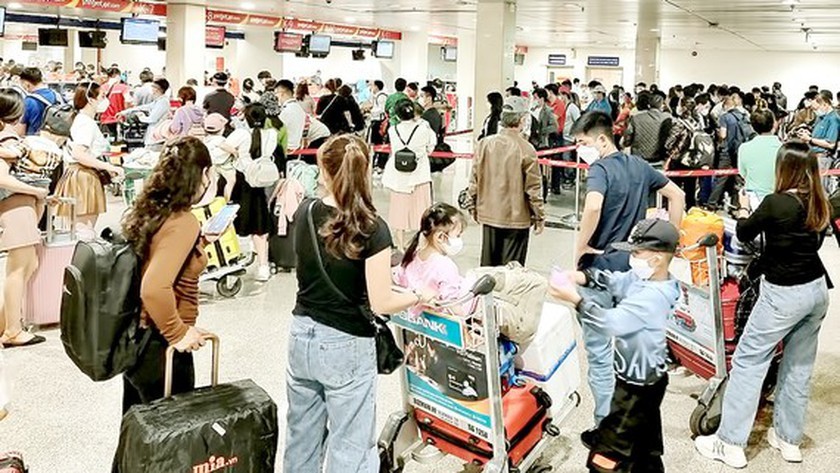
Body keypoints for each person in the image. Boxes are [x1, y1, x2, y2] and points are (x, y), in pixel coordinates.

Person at [283, 134, 435, 473]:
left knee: (301, 437)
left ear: (324, 170)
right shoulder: (372, 228)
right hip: (346, 344)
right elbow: (381, 300)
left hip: (302, 333)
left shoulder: (306, 211)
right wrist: (417, 295)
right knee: (350, 444)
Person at [695, 142, 832, 469]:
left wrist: (742, 208)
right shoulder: (818, 201)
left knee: (749, 360)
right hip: (816, 292)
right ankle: (789, 440)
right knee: (798, 367)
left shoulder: (775, 203)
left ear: (785, 169)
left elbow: (744, 233)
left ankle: (729, 443)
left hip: (784, 294)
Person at [570, 111, 684, 435]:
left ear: (602, 140)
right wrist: (667, 243)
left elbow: (593, 207)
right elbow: (677, 195)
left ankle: (607, 428)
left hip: (600, 270)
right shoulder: (640, 166)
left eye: (583, 142)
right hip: (634, 272)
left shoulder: (600, 169)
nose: (580, 148)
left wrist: (580, 247)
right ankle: (634, 423)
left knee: (599, 354)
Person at [551, 218, 680, 473]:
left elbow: (610, 323)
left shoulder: (654, 297)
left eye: (637, 252)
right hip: (648, 377)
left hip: (636, 388)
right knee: (644, 445)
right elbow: (617, 281)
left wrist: (575, 299)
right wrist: (581, 276)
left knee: (607, 458)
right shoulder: (648, 279)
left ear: (657, 258)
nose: (633, 258)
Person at [120, 137, 216, 415]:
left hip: (137, 340)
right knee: (171, 445)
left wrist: (200, 244)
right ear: (203, 175)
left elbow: (157, 260)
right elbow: (154, 287)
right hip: (161, 344)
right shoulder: (184, 221)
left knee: (140, 434)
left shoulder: (152, 210)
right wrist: (178, 333)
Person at [468, 96, 545, 266]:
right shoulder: (526, 148)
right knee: (512, 271)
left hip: (488, 213)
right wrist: (539, 216)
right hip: (517, 218)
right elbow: (533, 188)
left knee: (488, 266)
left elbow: (474, 179)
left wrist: (472, 205)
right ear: (522, 120)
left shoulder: (484, 144)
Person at [0, 89, 48, 348]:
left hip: (19, 208)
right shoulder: (7, 140)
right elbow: (2, 178)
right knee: (19, 269)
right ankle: (12, 330)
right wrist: (36, 191)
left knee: (26, 265)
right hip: (16, 208)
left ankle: (7, 323)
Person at [54, 82, 123, 239]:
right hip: (83, 177)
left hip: (78, 175)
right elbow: (80, 154)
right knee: (84, 230)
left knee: (80, 228)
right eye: (102, 96)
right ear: (91, 100)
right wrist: (109, 167)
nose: (105, 101)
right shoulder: (86, 123)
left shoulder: (80, 119)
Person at [231, 104, 278, 282]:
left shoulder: (241, 134)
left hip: (242, 181)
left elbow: (223, 145)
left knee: (234, 222)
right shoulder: (271, 134)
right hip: (260, 182)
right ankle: (263, 266)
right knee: (260, 226)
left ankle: (233, 260)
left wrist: (236, 154)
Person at [394, 203, 471, 311]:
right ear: (440, 237)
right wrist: (464, 325)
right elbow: (452, 305)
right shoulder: (445, 266)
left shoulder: (411, 257)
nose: (459, 240)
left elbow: (399, 283)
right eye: (458, 235)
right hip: (441, 324)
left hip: (416, 320)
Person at [382, 99, 436, 250]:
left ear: (397, 115)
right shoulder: (424, 128)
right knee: (421, 211)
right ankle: (421, 243)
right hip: (419, 175)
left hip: (398, 176)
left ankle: (400, 244)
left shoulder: (393, 130)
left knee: (399, 209)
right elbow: (431, 146)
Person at [709, 93, 754, 210]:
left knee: (721, 179)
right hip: (740, 150)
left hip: (727, 151)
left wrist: (718, 133)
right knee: (738, 179)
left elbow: (723, 135)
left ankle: (712, 203)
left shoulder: (725, 117)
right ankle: (737, 205)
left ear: (725, 106)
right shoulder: (744, 116)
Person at [664, 96, 705, 208]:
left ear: (682, 107)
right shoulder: (698, 122)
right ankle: (691, 212)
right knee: (690, 189)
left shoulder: (679, 123)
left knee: (675, 189)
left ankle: (675, 211)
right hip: (692, 158)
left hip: (678, 158)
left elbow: (669, 143)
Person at [797, 90, 840, 193]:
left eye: (816, 108)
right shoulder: (821, 118)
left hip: (823, 158)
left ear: (824, 104)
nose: (815, 111)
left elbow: (830, 144)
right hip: (814, 156)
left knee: (821, 190)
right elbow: (818, 135)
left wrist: (810, 139)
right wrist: (807, 133)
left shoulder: (834, 119)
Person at [738, 107, 781, 207]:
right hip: (778, 197)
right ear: (774, 124)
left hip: (753, 199)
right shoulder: (783, 149)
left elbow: (743, 173)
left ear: (753, 127)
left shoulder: (744, 148)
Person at [622, 91, 672, 166]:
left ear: (649, 105)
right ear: (662, 105)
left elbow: (627, 140)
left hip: (638, 158)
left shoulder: (636, 118)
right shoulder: (667, 118)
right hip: (658, 158)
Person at [119, 78, 171, 146]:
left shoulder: (163, 102)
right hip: (154, 133)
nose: (151, 89)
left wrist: (140, 116)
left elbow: (152, 119)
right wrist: (124, 112)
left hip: (157, 134)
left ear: (157, 89)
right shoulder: (159, 101)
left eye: (153, 87)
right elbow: (144, 107)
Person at [18, 67, 62, 136]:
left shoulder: (28, 101)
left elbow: (21, 130)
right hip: (54, 139)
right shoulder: (56, 95)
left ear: (27, 84)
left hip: (34, 140)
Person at [276, 79, 307, 153]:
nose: (275, 96)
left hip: (284, 150)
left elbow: (276, 131)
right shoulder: (298, 108)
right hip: (295, 147)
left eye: (276, 93)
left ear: (281, 93)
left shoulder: (287, 111)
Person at [366, 80, 388, 145]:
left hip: (379, 121)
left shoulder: (381, 96)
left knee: (377, 140)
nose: (371, 87)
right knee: (375, 140)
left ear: (376, 86)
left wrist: (370, 111)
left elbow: (382, 109)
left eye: (372, 85)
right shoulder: (375, 95)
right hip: (375, 120)